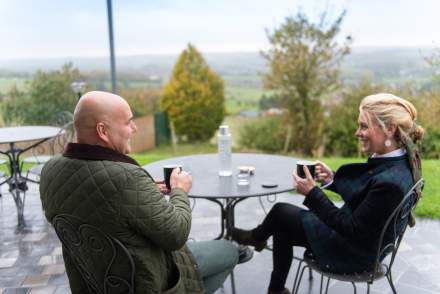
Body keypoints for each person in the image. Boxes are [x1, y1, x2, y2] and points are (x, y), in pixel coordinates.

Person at [39, 91, 239, 294]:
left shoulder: (50, 172)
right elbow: (176, 235)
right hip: (146, 281)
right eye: (128, 122)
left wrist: (144, 193)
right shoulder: (126, 178)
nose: (134, 128)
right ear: (103, 131)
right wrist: (179, 190)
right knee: (230, 251)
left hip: (93, 283)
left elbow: (95, 203)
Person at [231, 93, 424, 294]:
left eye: (364, 126)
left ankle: (257, 239)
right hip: (363, 242)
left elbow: (351, 229)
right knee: (282, 224)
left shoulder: (390, 183)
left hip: (354, 253)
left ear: (390, 129)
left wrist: (312, 193)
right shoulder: (401, 161)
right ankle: (274, 285)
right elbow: (367, 194)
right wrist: (332, 179)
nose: (357, 133)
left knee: (281, 214)